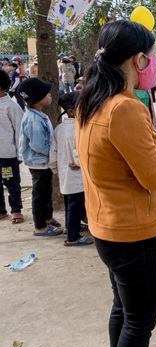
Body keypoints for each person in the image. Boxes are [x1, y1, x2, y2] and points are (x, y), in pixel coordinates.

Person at [75, 19, 156, 347]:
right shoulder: (125, 107)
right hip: (132, 233)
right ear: (138, 61)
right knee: (140, 320)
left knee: (123, 310)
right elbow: (154, 176)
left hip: (107, 225)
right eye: (152, 58)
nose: (154, 66)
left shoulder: (92, 100)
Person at [17, 78, 64, 237]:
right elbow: (37, 145)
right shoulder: (34, 120)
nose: (50, 96)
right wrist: (54, 154)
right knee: (40, 194)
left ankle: (48, 218)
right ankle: (40, 226)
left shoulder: (38, 115)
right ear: (37, 99)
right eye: (46, 94)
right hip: (39, 163)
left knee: (46, 191)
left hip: (43, 163)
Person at [49, 91, 92, 246]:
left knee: (70, 205)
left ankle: (70, 228)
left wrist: (56, 170)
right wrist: (79, 163)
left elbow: (52, 154)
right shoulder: (79, 129)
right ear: (72, 111)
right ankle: (72, 237)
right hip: (77, 178)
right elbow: (78, 153)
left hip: (65, 177)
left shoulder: (59, 129)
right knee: (75, 206)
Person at [0, 69, 24, 224]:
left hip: (7, 154)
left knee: (11, 183)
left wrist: (20, 154)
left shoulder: (11, 107)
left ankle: (16, 210)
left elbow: (20, 131)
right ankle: (1, 210)